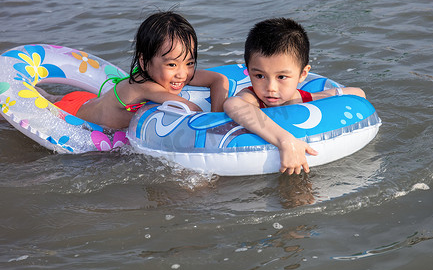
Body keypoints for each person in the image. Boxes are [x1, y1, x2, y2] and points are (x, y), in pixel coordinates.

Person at [39, 11, 229, 129]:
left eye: (189, 62)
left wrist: (218, 115)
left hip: (88, 101)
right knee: (45, 100)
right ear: (144, 62)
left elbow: (219, 80)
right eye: (172, 64)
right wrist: (216, 127)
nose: (183, 74)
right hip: (73, 113)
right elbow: (191, 109)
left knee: (51, 97)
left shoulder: (172, 75)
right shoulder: (144, 86)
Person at [223, 18, 365, 175]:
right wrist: (285, 140)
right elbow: (233, 104)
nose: (270, 88)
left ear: (303, 74)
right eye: (259, 76)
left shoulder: (302, 98)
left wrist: (336, 93)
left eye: (281, 77)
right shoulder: (251, 99)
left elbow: (358, 94)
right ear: (248, 71)